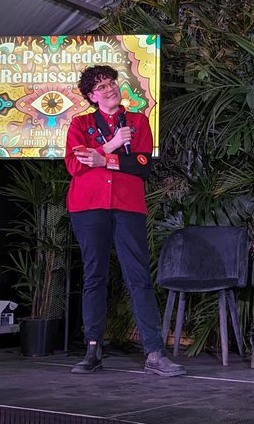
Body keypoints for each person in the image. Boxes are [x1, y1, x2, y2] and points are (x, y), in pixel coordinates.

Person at [64, 65, 184, 378]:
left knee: (139, 277)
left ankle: (154, 353)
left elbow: (142, 164)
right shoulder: (80, 124)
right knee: (94, 277)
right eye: (101, 86)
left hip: (128, 207)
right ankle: (92, 351)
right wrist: (111, 146)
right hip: (88, 207)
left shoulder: (138, 121)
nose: (109, 89)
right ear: (92, 96)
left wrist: (105, 160)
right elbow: (76, 166)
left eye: (112, 83)